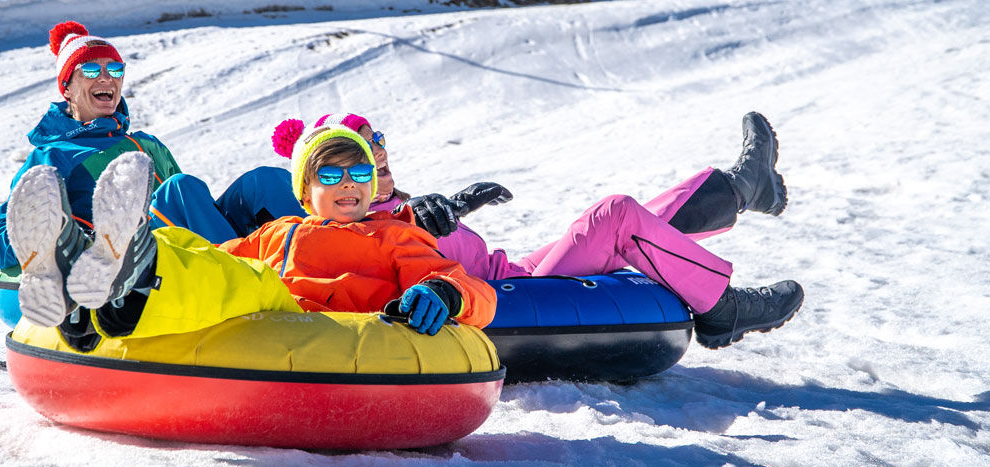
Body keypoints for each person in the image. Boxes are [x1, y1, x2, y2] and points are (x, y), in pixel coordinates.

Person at [270, 112, 803, 349]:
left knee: (621, 223)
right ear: (315, 180)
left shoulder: (399, 206)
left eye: (372, 157)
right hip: (511, 293)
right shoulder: (367, 225)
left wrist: (449, 209)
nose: (370, 167)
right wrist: (427, 218)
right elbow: (377, 255)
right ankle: (721, 306)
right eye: (355, 156)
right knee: (615, 215)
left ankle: (742, 187)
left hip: (516, 270)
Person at [4, 124, 495, 346]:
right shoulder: (282, 230)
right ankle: (92, 271)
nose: (348, 184)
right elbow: (216, 260)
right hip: (266, 316)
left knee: (250, 283)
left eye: (360, 175)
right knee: (218, 265)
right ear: (304, 190)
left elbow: (464, 284)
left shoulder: (394, 235)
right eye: (330, 175)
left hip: (325, 325)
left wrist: (444, 292)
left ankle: (131, 268)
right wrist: (178, 251)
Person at [0, 21, 302, 330]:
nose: (106, 78)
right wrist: (62, 239)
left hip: (184, 248)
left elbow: (191, 213)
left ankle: (320, 258)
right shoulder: (54, 155)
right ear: (67, 88)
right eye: (91, 70)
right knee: (179, 188)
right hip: (128, 262)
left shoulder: (146, 144)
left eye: (115, 70)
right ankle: (246, 287)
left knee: (264, 181)